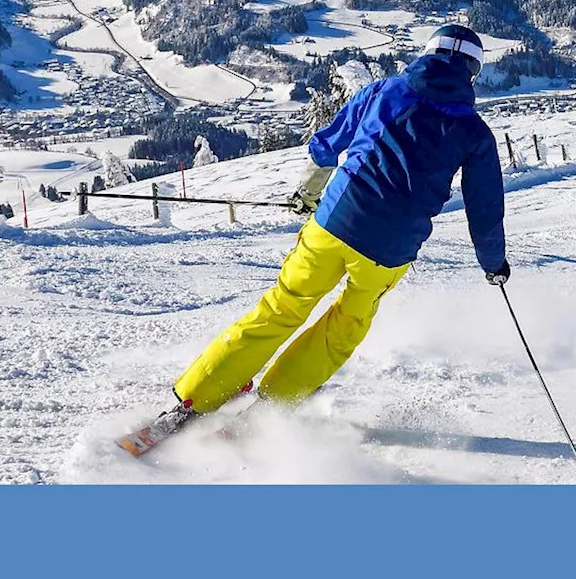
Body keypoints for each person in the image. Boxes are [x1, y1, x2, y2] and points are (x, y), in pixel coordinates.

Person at [169, 24, 510, 418]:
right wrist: (493, 265)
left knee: (283, 307)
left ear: (427, 53)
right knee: (344, 325)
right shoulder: (474, 132)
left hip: (334, 222)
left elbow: (328, 145)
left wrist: (308, 194)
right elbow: (484, 210)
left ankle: (199, 392)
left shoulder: (384, 91)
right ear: (473, 72)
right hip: (390, 250)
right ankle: (274, 403)